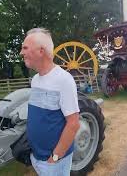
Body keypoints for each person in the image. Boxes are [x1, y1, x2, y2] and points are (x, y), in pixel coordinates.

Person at [20, 28, 80, 176]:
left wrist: (55, 157)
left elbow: (73, 124)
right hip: (36, 156)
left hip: (54, 162)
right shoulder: (35, 80)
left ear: (41, 51)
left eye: (25, 48)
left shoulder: (63, 80)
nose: (21, 52)